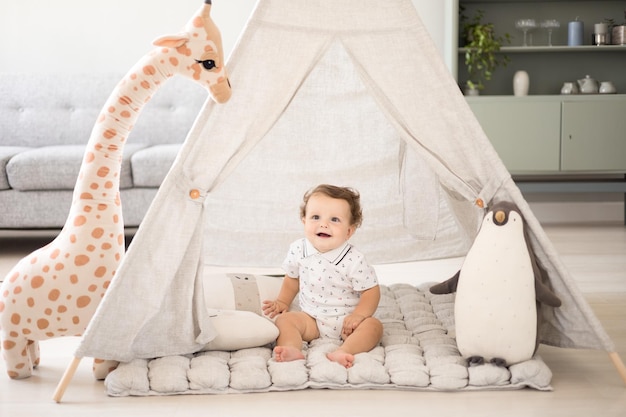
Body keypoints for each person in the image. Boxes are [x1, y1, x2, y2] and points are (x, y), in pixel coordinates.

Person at [262, 184, 383, 368]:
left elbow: (371, 291)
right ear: (304, 221)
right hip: (312, 319)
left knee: (374, 326)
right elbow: (293, 278)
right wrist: (283, 302)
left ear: (349, 231)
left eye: (334, 219)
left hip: (347, 323)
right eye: (315, 217)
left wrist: (359, 315)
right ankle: (292, 349)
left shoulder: (354, 259)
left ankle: (344, 350)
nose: (323, 224)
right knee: (285, 320)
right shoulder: (298, 249)